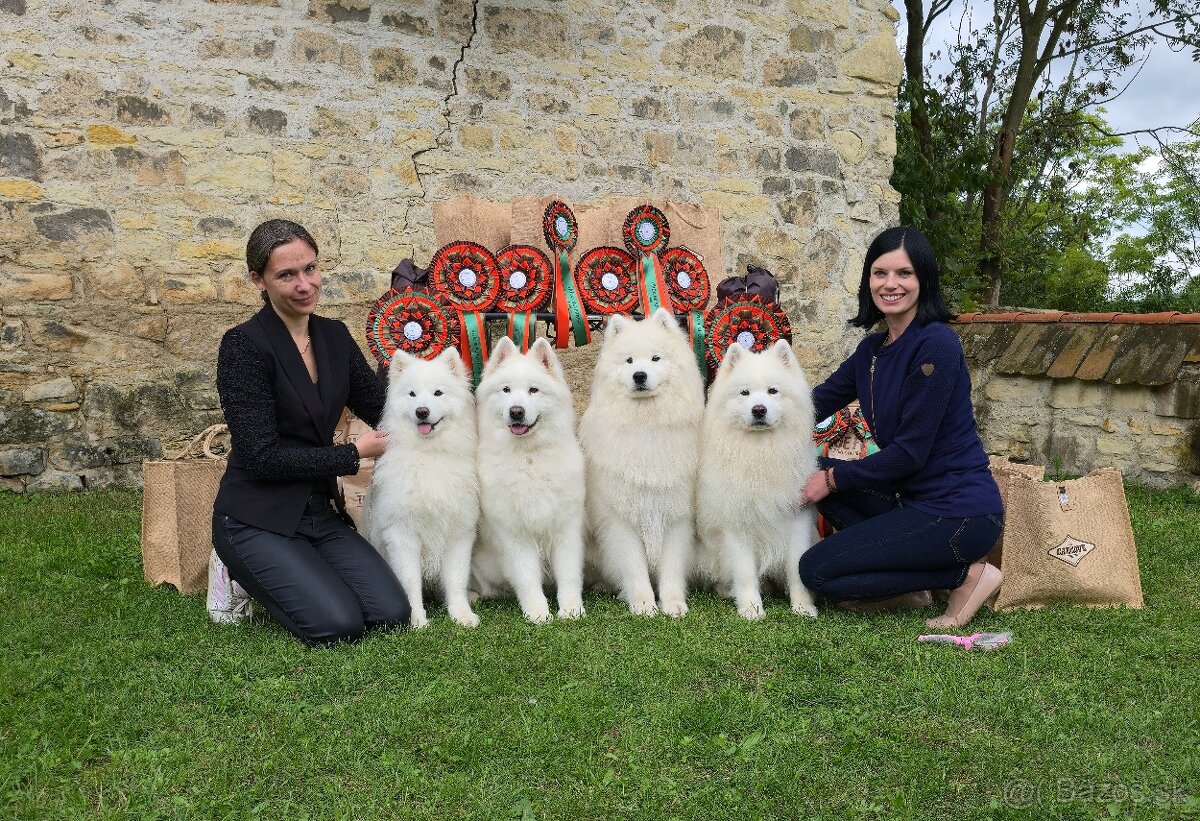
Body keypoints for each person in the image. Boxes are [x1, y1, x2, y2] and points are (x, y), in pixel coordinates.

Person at [211, 219, 410, 646]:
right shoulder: (243, 346)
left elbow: (382, 407)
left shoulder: (334, 336)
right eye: (286, 275)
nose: (305, 285)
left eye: (311, 269)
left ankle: (290, 572)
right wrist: (352, 455)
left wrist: (440, 405)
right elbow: (262, 457)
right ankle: (235, 570)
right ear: (257, 280)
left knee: (392, 614)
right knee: (338, 627)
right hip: (257, 517)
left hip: (320, 514)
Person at [798, 226, 1005, 629]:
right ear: (868, 281)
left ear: (923, 280)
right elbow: (811, 404)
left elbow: (910, 453)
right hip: (910, 503)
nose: (890, 284)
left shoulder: (937, 344)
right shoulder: (871, 351)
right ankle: (910, 588)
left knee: (818, 571)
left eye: (904, 273)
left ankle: (964, 575)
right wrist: (750, 405)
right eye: (880, 273)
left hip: (959, 514)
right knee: (810, 469)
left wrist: (835, 479)